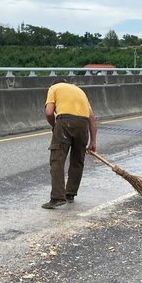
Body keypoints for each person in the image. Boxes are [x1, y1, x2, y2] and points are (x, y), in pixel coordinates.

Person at [42, 80, 97, 209]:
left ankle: (57, 197)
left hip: (64, 122)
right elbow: (92, 119)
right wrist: (93, 141)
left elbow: (49, 112)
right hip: (83, 125)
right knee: (77, 161)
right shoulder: (80, 91)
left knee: (57, 160)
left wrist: (55, 126)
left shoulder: (54, 88)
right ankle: (70, 194)